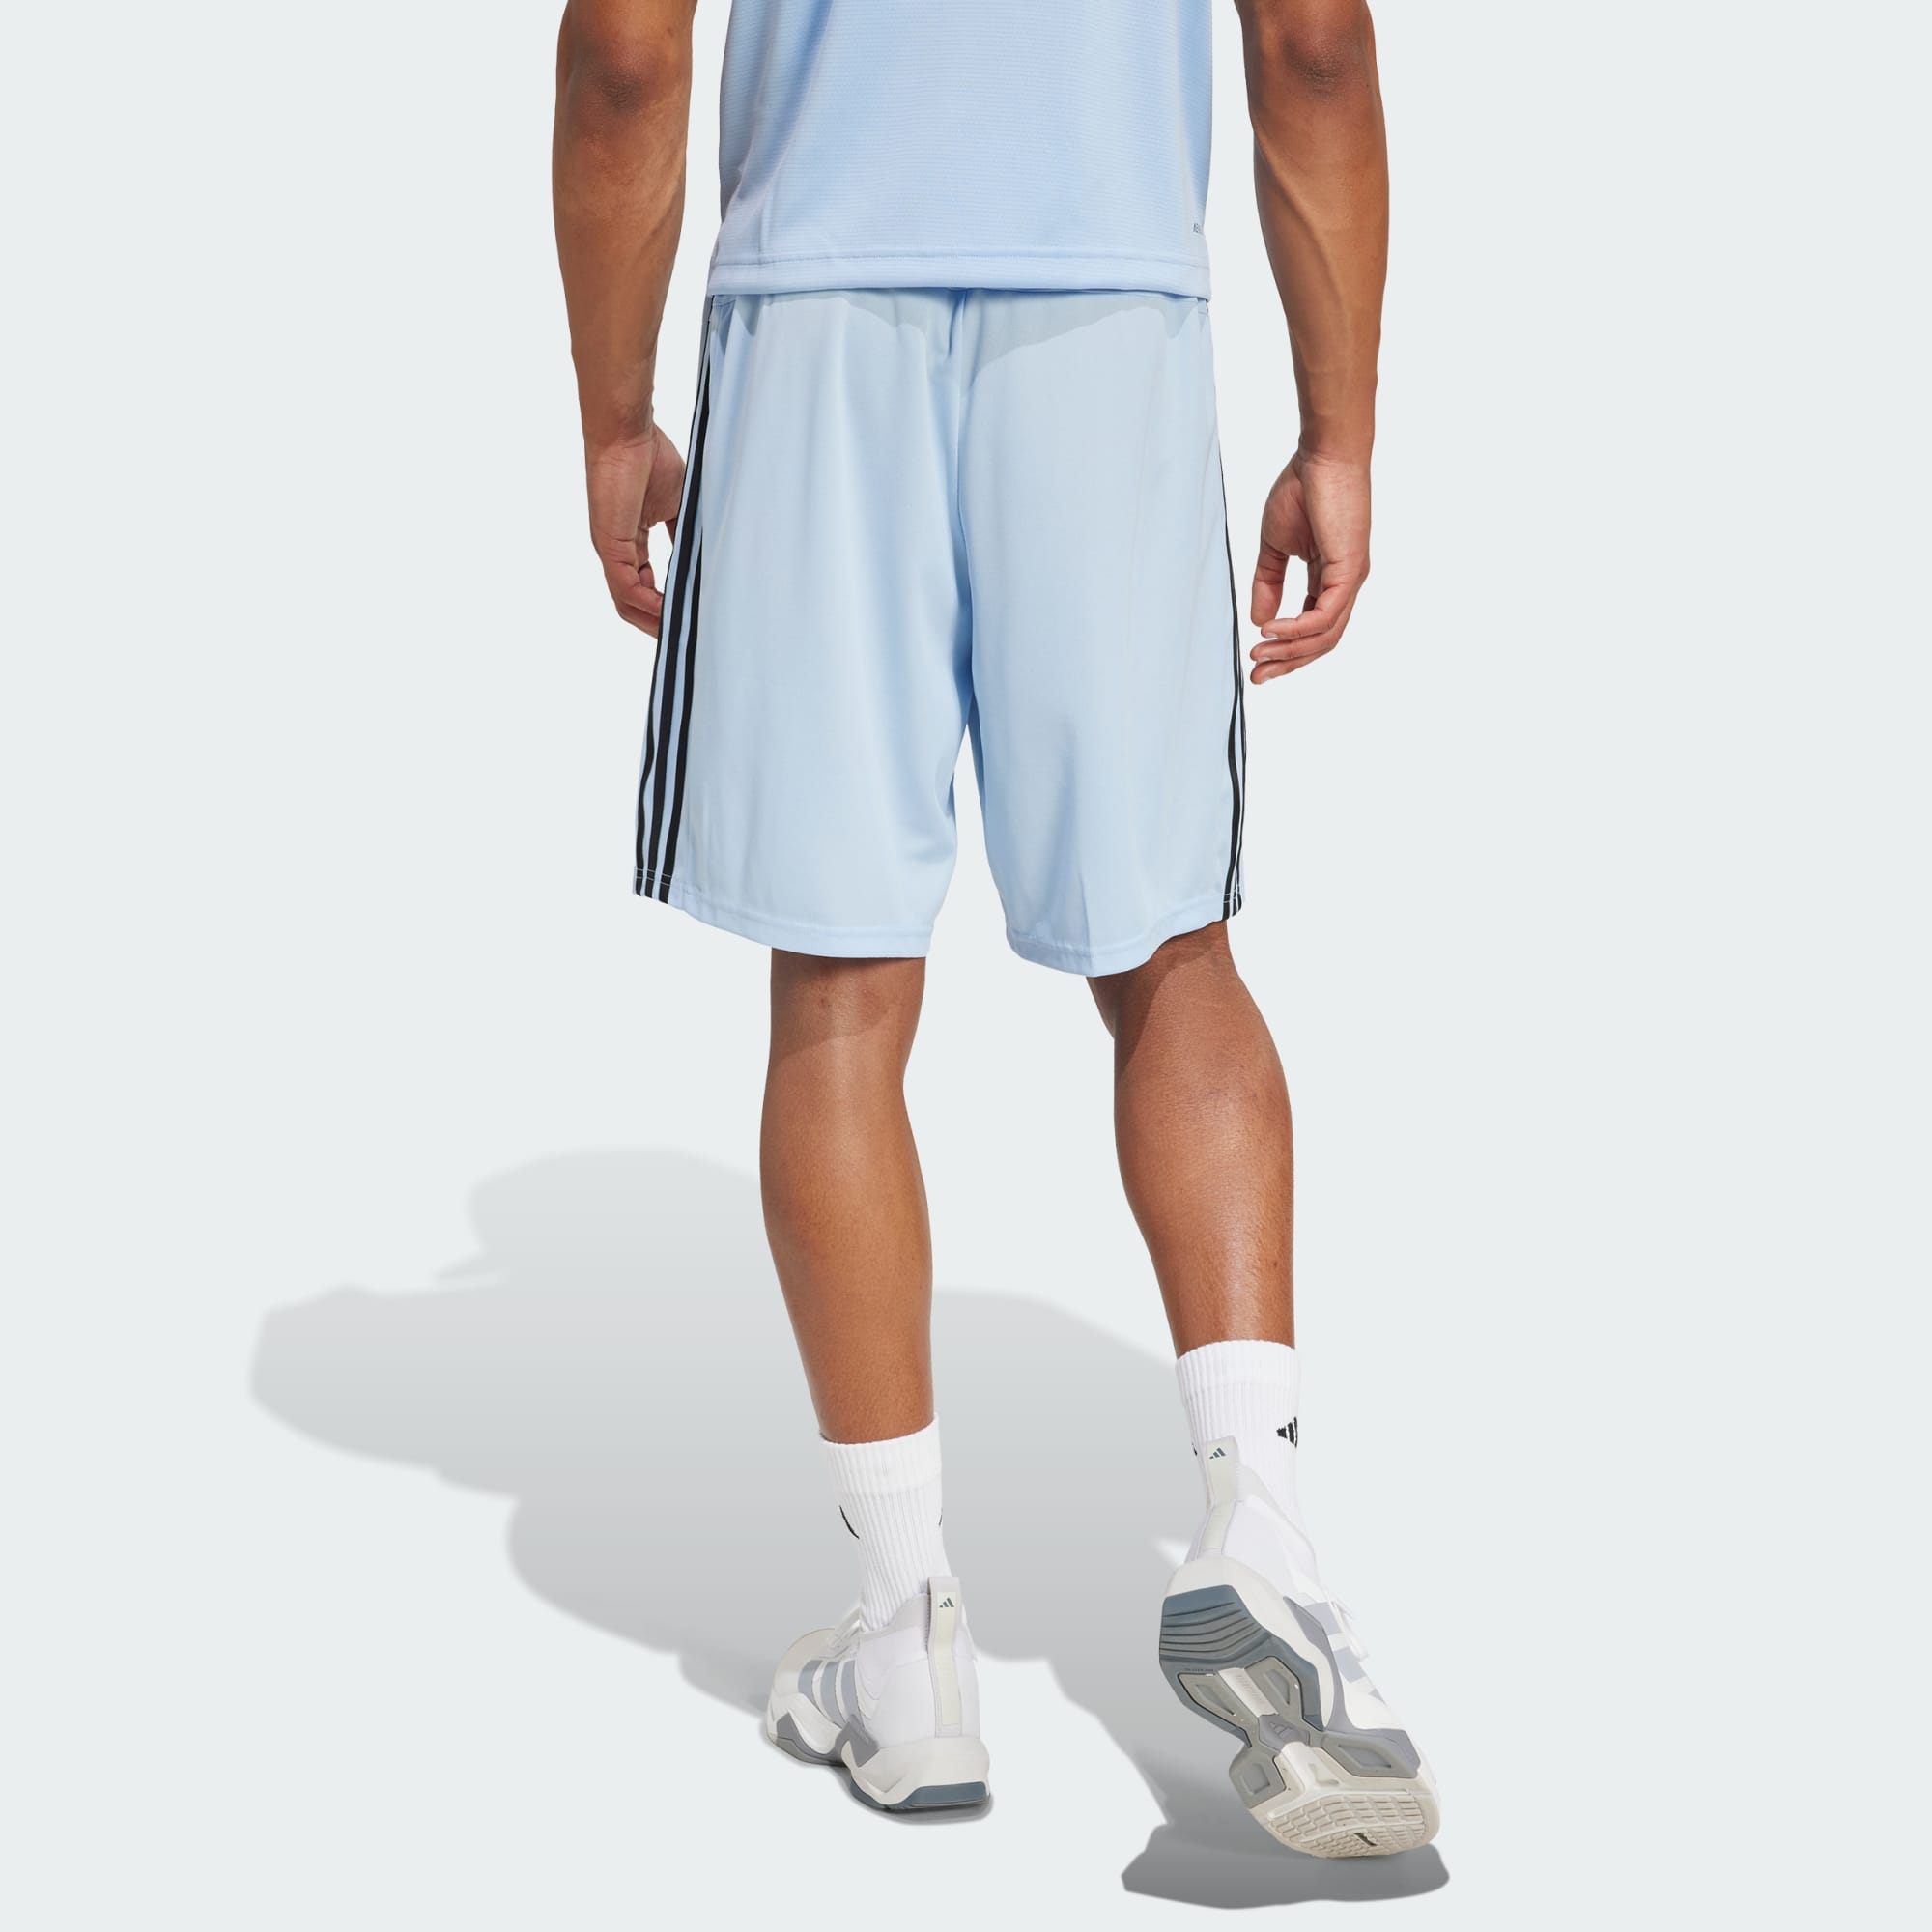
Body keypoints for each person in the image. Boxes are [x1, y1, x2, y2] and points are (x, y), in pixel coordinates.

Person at [554, 0, 1437, 1856]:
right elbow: (1315, 48)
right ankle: (1263, 1526)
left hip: (815, 315)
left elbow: (626, 54)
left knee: (841, 991)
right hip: (1110, 309)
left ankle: (906, 1636)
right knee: (1171, 953)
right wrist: (1339, 430)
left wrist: (615, 414)